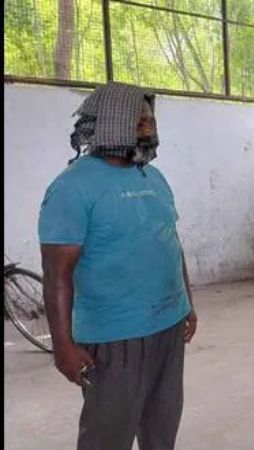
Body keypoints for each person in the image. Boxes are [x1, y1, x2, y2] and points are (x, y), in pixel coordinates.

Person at [38, 82, 198, 450]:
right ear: (113, 123)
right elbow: (56, 275)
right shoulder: (72, 187)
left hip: (168, 328)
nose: (150, 128)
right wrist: (63, 346)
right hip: (114, 339)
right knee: (107, 437)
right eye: (140, 121)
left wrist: (187, 304)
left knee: (162, 430)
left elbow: (170, 242)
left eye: (150, 120)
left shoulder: (153, 177)